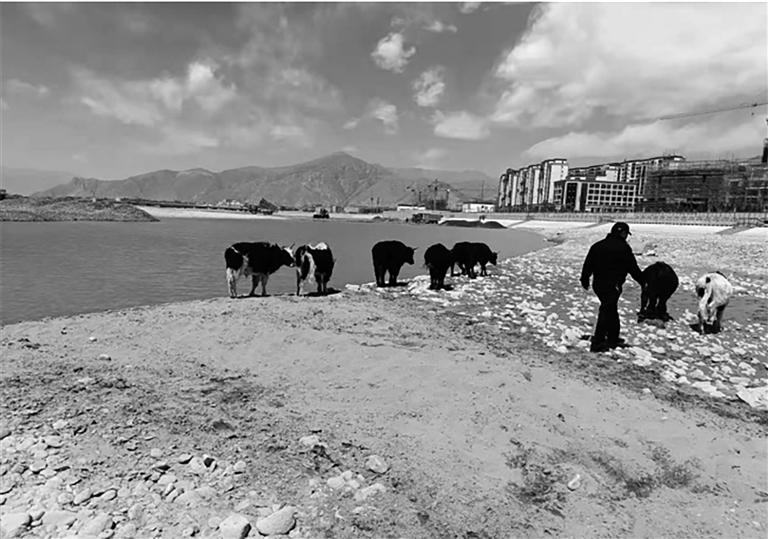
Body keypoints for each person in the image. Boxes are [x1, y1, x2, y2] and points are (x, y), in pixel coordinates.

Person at [580, 222, 643, 353]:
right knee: (606, 310)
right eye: (626, 234)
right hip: (613, 285)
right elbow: (633, 268)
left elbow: (588, 264)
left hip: (598, 284)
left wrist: (584, 279)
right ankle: (597, 343)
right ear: (623, 234)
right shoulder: (623, 248)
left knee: (610, 309)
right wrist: (644, 282)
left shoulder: (598, 246)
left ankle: (613, 338)